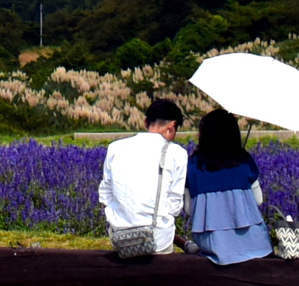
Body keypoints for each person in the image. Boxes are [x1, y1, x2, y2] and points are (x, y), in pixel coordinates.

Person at [99, 99, 190, 255]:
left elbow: (105, 194)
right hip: (158, 240)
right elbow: (175, 203)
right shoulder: (177, 153)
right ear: (172, 126)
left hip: (120, 238)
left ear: (146, 121)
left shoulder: (115, 148)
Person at [185, 109, 273, 265]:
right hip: (257, 245)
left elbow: (188, 209)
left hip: (215, 247)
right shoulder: (244, 160)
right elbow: (258, 200)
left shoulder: (193, 164)